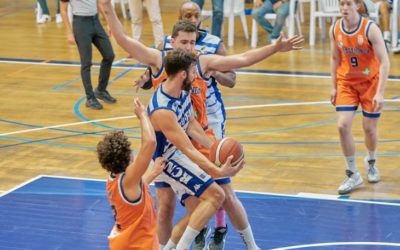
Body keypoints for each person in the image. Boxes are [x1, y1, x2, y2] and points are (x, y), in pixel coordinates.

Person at [100, 0, 303, 248]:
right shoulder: (159, 63)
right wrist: (107, 9)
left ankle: (235, 240)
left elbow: (241, 60)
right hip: (170, 146)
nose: (189, 47)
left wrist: (274, 48)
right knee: (169, 206)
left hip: (194, 135)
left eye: (193, 42)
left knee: (217, 197)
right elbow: (123, 39)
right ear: (171, 42)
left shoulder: (200, 63)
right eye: (183, 42)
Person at [329, 0, 390, 194]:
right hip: (346, 83)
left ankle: (371, 161)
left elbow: (384, 62)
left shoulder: (370, 29)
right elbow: (335, 58)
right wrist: (333, 87)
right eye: (341, 4)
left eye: (348, 4)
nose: (344, 8)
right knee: (342, 125)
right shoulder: (335, 28)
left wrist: (380, 92)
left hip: (370, 83)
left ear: (357, 5)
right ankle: (352, 173)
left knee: (369, 129)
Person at [96, 98, 165, 249]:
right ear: (128, 156)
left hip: (124, 242)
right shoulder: (129, 179)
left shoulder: (114, 180)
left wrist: (153, 173)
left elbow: (137, 191)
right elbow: (150, 143)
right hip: (135, 245)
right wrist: (143, 115)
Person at [60, 0, 117, 110]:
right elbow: (63, 10)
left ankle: (101, 90)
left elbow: (99, 2)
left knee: (109, 55)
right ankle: (90, 98)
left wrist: (108, 22)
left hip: (95, 21)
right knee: (86, 63)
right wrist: (69, 32)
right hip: (81, 25)